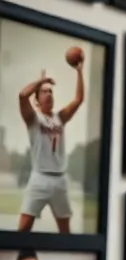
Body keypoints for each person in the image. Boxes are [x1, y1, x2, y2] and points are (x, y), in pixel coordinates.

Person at [17, 52, 83, 233]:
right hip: (39, 177)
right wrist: (40, 82)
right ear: (37, 100)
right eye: (44, 92)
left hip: (60, 179)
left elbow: (78, 100)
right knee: (23, 229)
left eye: (50, 91)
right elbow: (22, 95)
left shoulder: (60, 117)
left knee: (65, 232)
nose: (48, 94)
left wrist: (79, 71)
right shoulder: (33, 119)